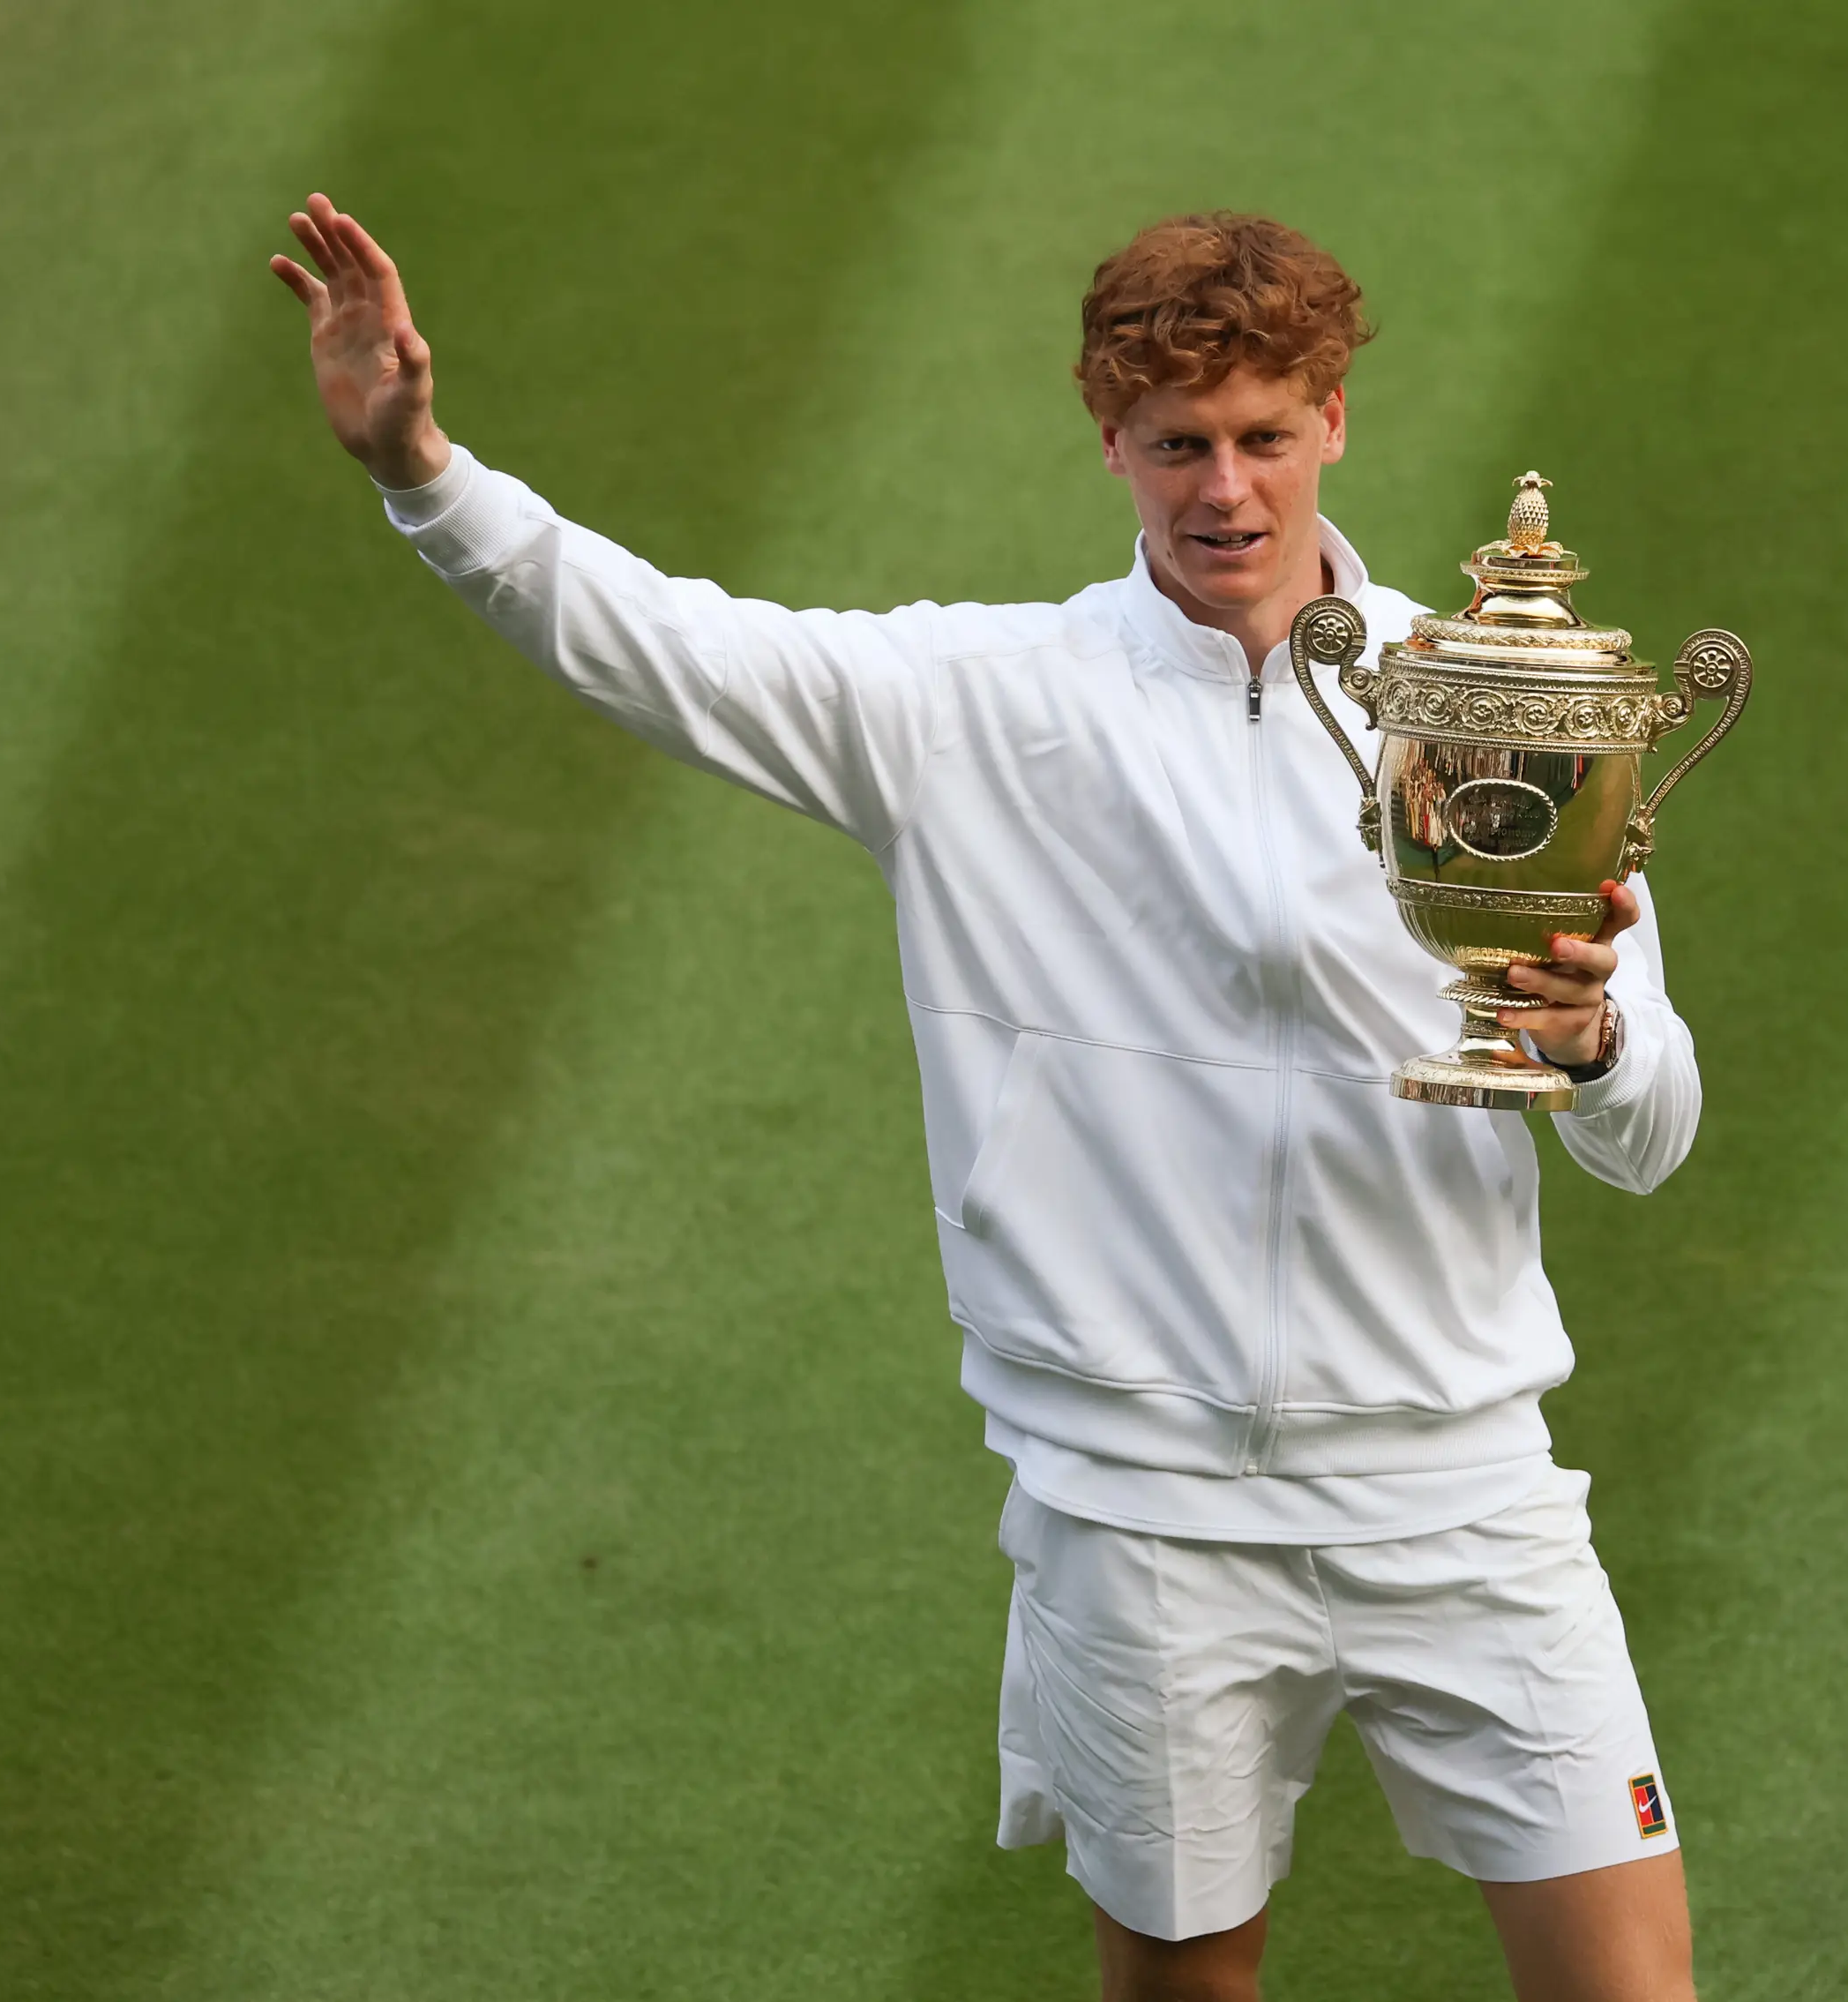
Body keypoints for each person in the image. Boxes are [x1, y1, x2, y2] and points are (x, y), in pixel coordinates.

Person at [272, 192, 1704, 2002]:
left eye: (1266, 438)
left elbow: (1653, 1134)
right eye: (1179, 445)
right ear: (1108, 437)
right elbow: (656, 641)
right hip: (1146, 1516)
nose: (1227, 493)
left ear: (1335, 420)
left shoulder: (1496, 703)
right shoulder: (970, 705)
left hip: (1466, 1496)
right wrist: (422, 471)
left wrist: (1595, 1050)